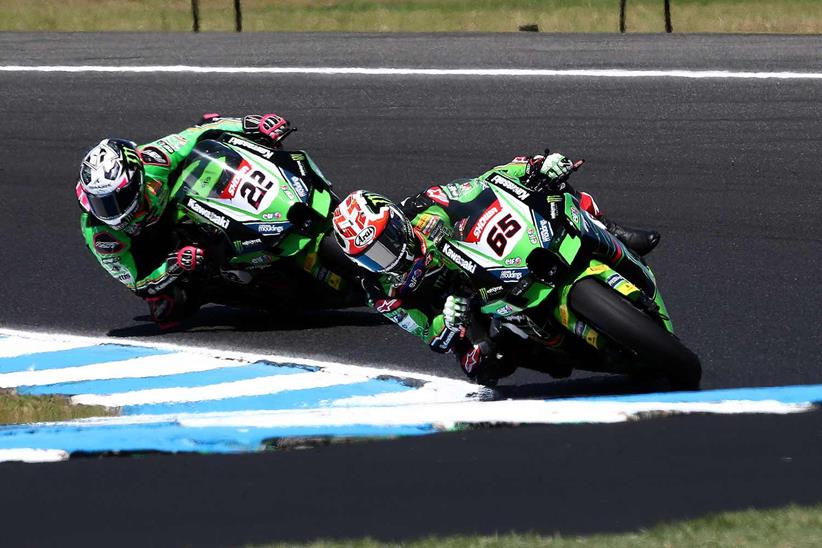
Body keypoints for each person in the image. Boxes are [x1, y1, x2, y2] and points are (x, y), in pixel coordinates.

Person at [331, 151, 660, 384]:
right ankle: (556, 353)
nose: (387, 255)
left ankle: (612, 231)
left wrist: (534, 166)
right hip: (461, 306)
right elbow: (426, 333)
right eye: (372, 255)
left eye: (385, 240)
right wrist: (445, 322)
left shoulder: (424, 204)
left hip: (489, 260)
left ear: (396, 219)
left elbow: (486, 182)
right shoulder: (378, 290)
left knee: (550, 188)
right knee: (482, 363)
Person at [76, 113, 293, 327]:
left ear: (137, 178)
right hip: (158, 253)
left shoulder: (155, 158)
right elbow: (137, 283)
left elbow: (200, 130)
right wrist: (174, 266)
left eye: (117, 198)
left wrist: (250, 125)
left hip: (183, 205)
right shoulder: (101, 235)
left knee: (216, 142)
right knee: (169, 310)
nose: (111, 210)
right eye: (101, 203)